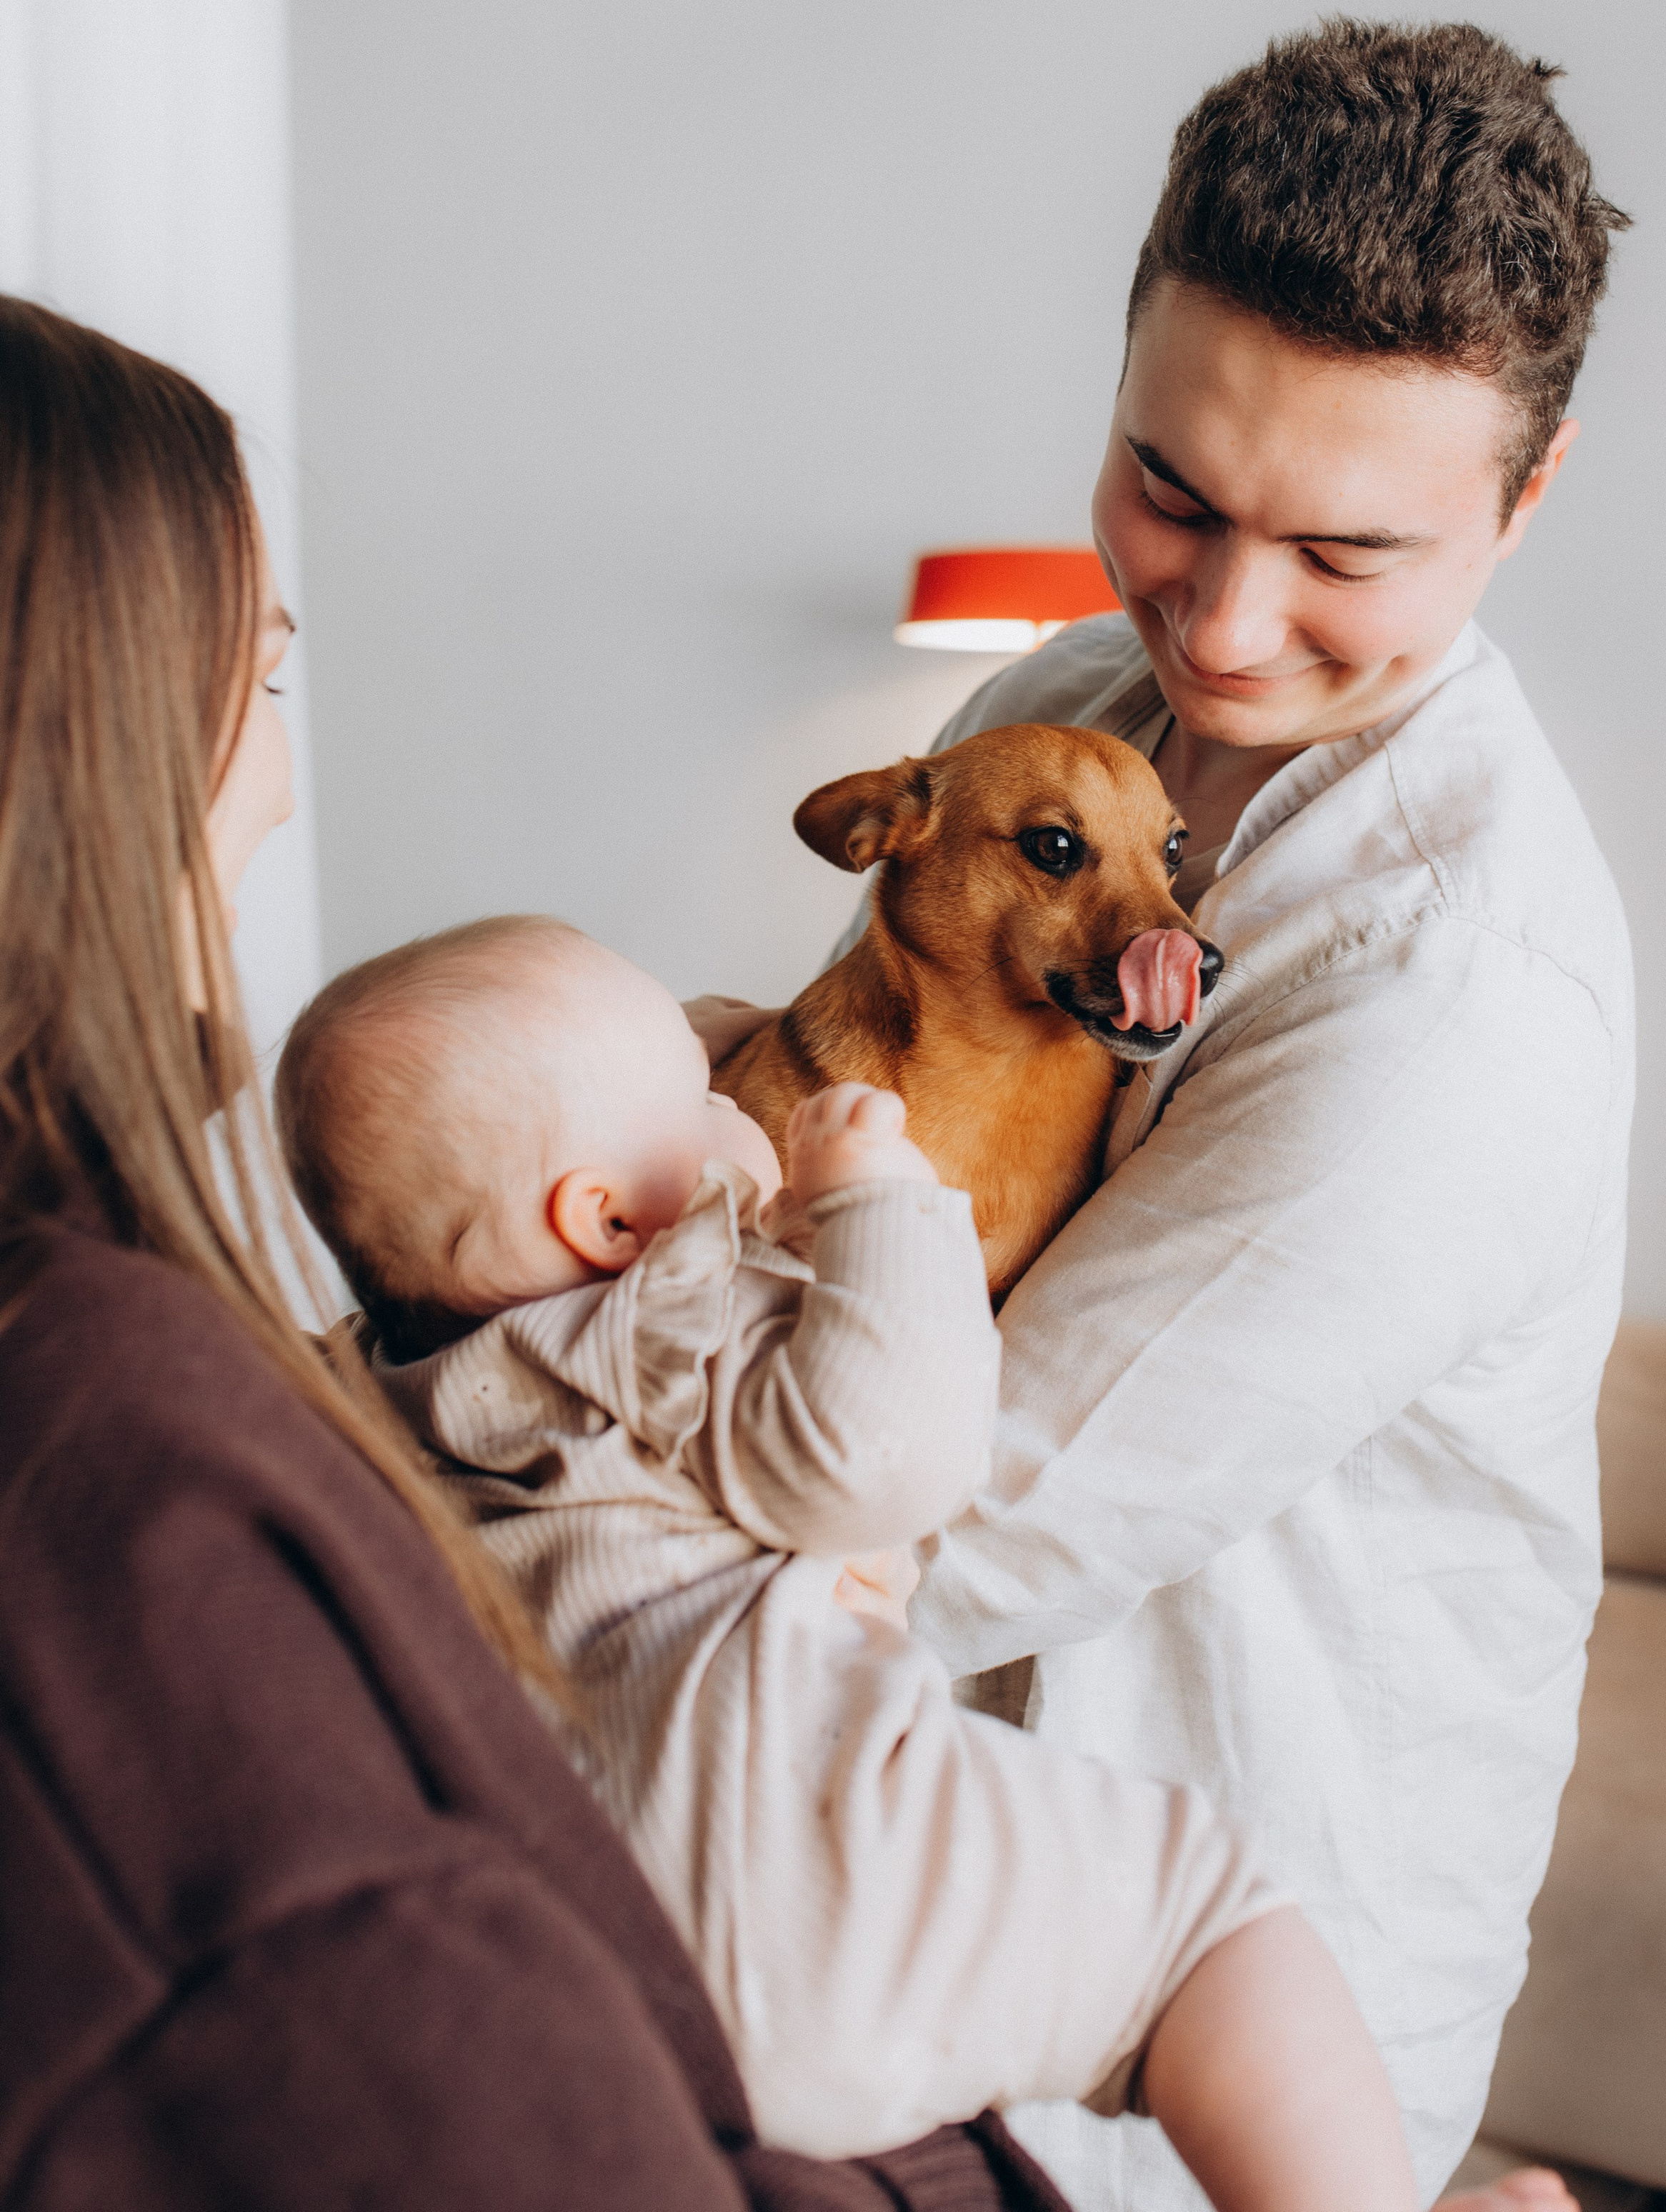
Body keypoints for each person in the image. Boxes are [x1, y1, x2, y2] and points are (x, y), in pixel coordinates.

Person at [0, 295, 1067, 2212]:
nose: (281, 774)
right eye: (262, 675)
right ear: (100, 733)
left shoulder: (223, 1372)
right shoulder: (116, 1444)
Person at [701, 19, 1630, 2211]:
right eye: (1172, 494)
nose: (1221, 621)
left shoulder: (1453, 992)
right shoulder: (1056, 708)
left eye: (1344, 555)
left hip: (1195, 2015)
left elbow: (980, 1511)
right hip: (906, 1853)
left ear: (1528, 496)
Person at [272, 913, 1421, 2208]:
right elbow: (894, 1454)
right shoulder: (669, 1324)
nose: (729, 1097)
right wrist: (887, 1208)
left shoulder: (362, 1402)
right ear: (604, 1223)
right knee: (1203, 1920)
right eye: (688, 1094)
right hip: (802, 1879)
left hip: (581, 1968)